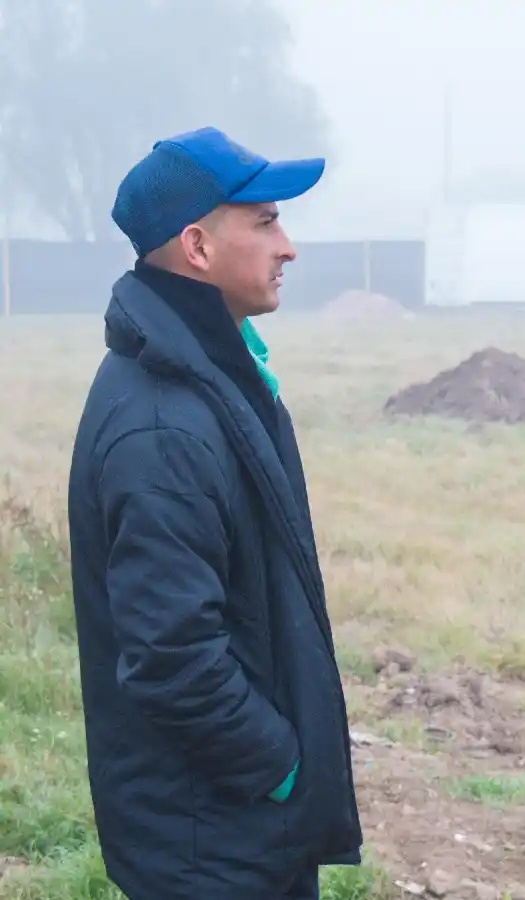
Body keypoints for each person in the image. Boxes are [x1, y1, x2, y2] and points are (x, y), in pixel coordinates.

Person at [66, 126, 363, 900]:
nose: (289, 246)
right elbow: (171, 656)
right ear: (196, 247)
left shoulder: (209, 377)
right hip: (211, 843)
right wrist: (280, 768)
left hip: (232, 832)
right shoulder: (163, 422)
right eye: (265, 221)